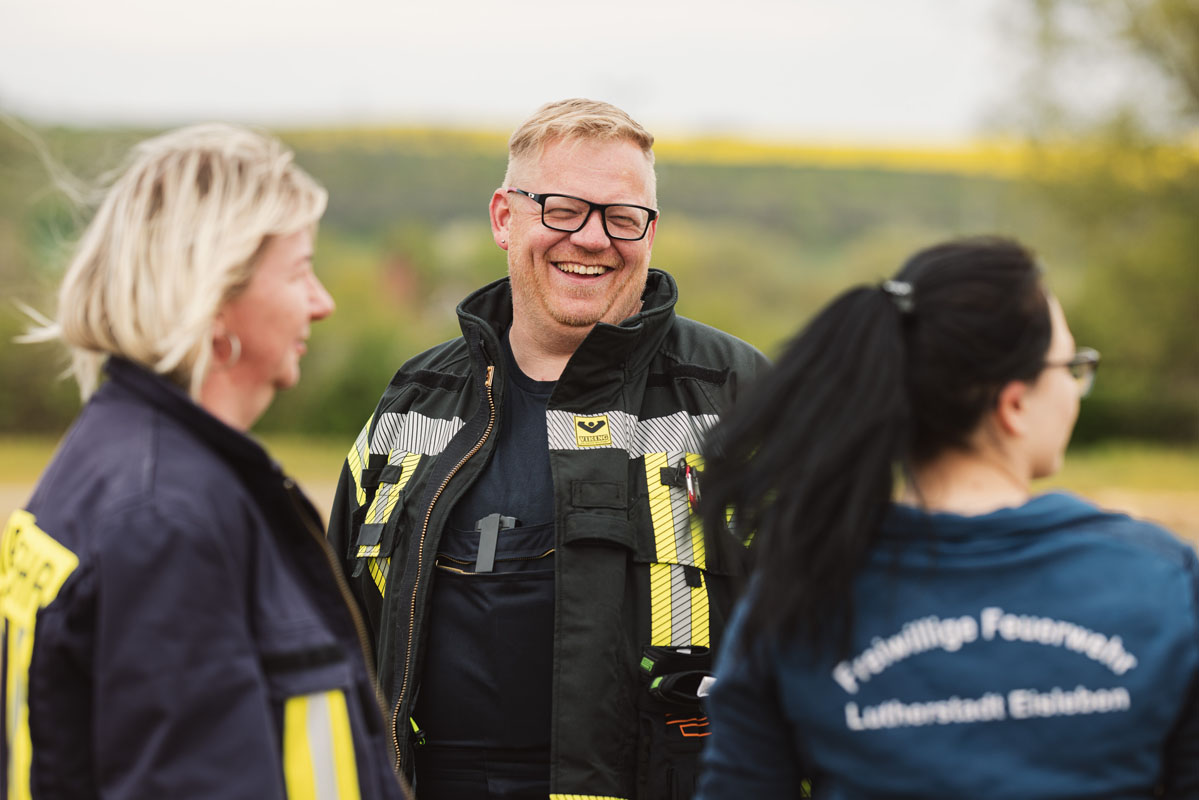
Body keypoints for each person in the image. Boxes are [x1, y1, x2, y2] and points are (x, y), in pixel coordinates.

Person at [327, 98, 769, 800]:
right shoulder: (413, 400)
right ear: (505, 218)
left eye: (622, 218)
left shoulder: (736, 398)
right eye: (562, 209)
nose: (592, 239)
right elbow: (337, 639)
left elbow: (825, 637)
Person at [694, 236, 1199, 798]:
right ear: (1013, 404)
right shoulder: (1163, 578)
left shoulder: (797, 592)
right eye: (1072, 367)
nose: (1077, 388)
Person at [1, 124, 410, 799]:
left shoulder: (121, 462)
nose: (323, 302)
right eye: (301, 271)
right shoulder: (166, 517)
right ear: (215, 295)